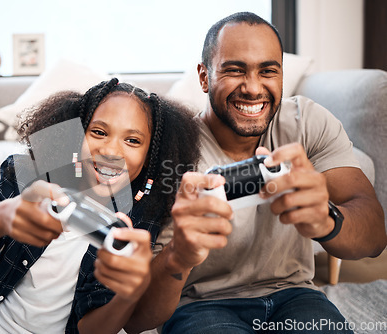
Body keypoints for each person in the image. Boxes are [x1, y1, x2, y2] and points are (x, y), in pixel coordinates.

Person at [124, 12, 387, 334]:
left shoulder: (307, 122)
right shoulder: (167, 149)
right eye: (235, 70)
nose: (252, 88)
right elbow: (136, 319)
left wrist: (326, 219)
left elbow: (374, 240)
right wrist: (178, 254)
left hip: (294, 294)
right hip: (199, 304)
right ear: (204, 77)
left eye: (267, 71)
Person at [0, 78, 201, 334]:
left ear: (150, 156)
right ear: (75, 133)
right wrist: (1, 216)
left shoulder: (141, 218)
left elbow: (92, 330)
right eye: (99, 132)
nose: (110, 150)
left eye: (132, 140)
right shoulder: (33, 174)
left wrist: (130, 294)